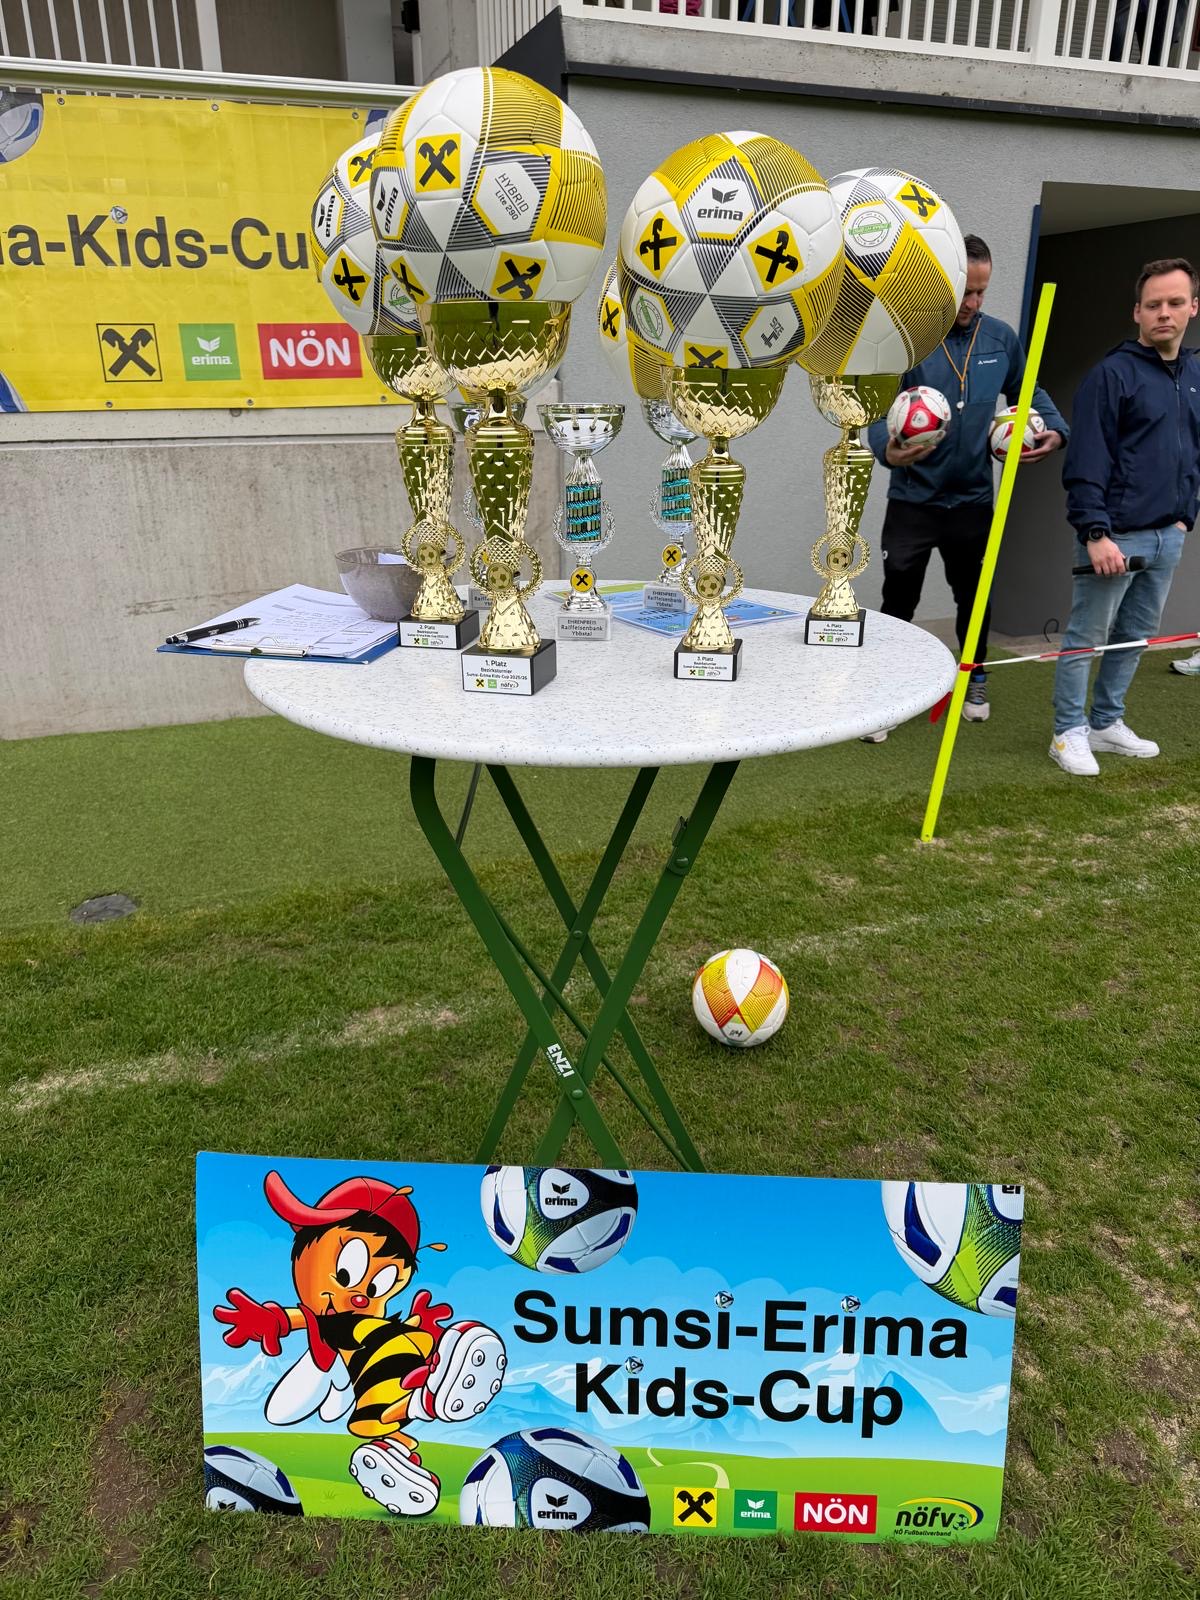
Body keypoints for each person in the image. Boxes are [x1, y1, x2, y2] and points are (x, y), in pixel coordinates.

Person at [862, 234, 1068, 739]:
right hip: (912, 501)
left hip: (973, 501)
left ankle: (973, 680)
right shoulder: (909, 337)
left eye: (981, 292)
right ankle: (889, 695)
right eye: (964, 292)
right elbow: (876, 408)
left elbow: (1029, 391)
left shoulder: (1000, 338)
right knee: (898, 601)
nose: (973, 303)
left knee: (975, 600)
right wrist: (885, 450)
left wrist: (1057, 430)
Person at [1050, 258, 1200, 774]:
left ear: (1193, 308)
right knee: (1086, 636)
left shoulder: (1194, 374)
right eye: (1153, 305)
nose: (1164, 313)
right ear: (1137, 312)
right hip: (1114, 536)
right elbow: (1086, 460)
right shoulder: (1111, 375)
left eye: (1175, 303)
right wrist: (1095, 533)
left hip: (1167, 536)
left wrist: (1184, 517)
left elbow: (1192, 452)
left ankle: (1105, 723)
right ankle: (1067, 733)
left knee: (1135, 636)